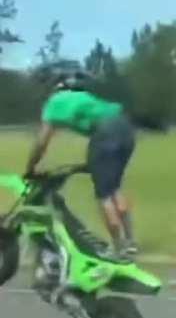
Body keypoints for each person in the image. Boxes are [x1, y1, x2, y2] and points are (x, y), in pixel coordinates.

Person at [25, 70, 138, 261]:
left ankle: (119, 248)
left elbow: (41, 142)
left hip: (104, 133)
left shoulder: (54, 102)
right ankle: (130, 242)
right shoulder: (83, 96)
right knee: (114, 189)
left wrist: (30, 168)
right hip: (126, 127)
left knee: (103, 195)